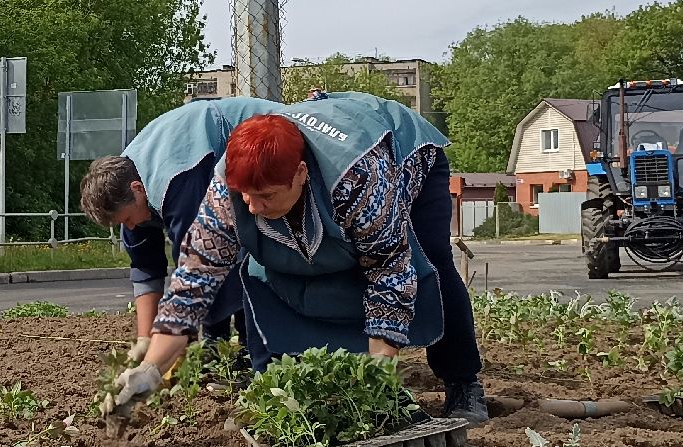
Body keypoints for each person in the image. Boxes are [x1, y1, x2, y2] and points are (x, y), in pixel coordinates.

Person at [108, 92, 487, 423]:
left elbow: (388, 274)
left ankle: (463, 382)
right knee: (268, 267)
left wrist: (378, 374)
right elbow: (193, 283)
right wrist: (149, 371)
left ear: (300, 175)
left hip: (399, 148)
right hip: (327, 160)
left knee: (430, 267)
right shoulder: (226, 191)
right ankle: (290, 384)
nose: (253, 208)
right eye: (246, 196)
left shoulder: (358, 182)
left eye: (266, 196)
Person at [80, 96, 286, 347]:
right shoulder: (124, 186)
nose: (130, 227)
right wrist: (145, 341)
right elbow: (145, 268)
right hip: (212, 157)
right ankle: (226, 348)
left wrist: (182, 339)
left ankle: (246, 348)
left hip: (271, 137)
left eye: (126, 219)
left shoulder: (176, 182)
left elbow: (200, 266)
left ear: (137, 190)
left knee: (244, 255)